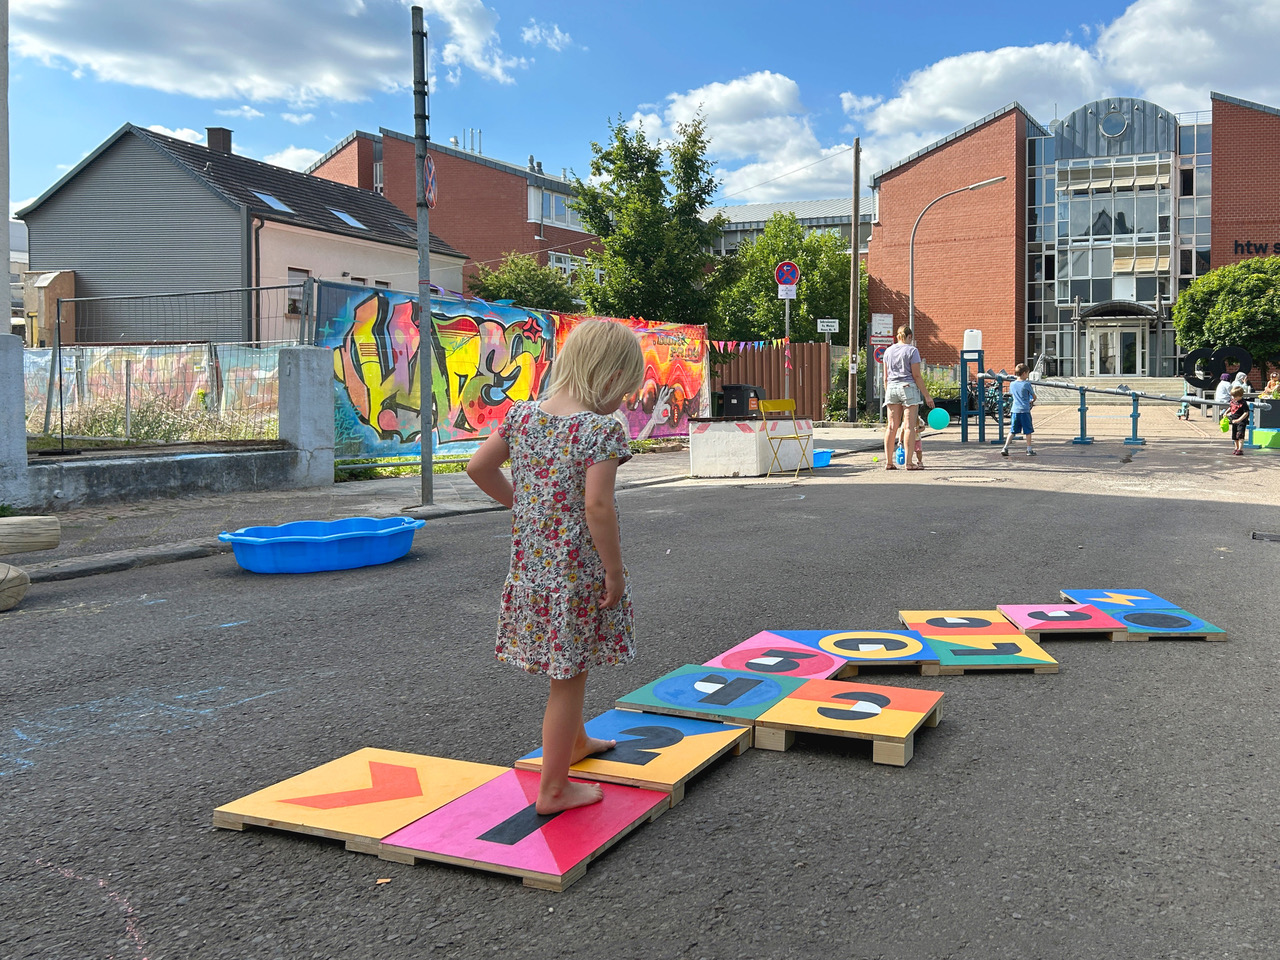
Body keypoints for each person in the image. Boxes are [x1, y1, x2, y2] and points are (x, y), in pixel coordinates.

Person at [466, 320, 646, 813]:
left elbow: (478, 467)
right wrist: (614, 570)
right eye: (625, 390)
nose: (623, 401)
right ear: (610, 376)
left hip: (532, 572)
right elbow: (598, 507)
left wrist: (525, 505)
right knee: (568, 679)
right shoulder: (599, 430)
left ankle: (577, 742)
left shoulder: (522, 416)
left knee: (567, 667)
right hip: (575, 576)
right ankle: (554, 788)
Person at [881, 326, 934, 471]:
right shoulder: (912, 350)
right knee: (909, 426)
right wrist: (927, 396)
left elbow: (885, 377)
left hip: (891, 388)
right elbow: (916, 375)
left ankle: (889, 462)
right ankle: (909, 463)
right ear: (909, 336)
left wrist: (888, 391)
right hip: (908, 388)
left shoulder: (888, 351)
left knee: (891, 426)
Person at [1001, 362, 1037, 457]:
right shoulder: (1026, 384)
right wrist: (1032, 400)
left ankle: (1005, 447)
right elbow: (1034, 396)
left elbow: (1013, 394)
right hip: (1024, 410)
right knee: (1028, 431)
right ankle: (1029, 449)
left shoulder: (1012, 384)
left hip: (1015, 410)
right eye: (1028, 373)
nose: (1028, 375)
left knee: (1012, 430)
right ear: (1024, 373)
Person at [1225, 384, 1251, 456]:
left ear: (1240, 396)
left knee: (1240, 435)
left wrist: (1239, 420)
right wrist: (1226, 412)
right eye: (1232, 396)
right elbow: (1231, 407)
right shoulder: (1233, 401)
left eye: (1235, 396)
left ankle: (1240, 449)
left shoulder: (1243, 403)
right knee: (1234, 436)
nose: (1233, 398)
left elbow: (1246, 413)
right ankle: (1236, 448)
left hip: (1241, 421)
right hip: (1234, 420)